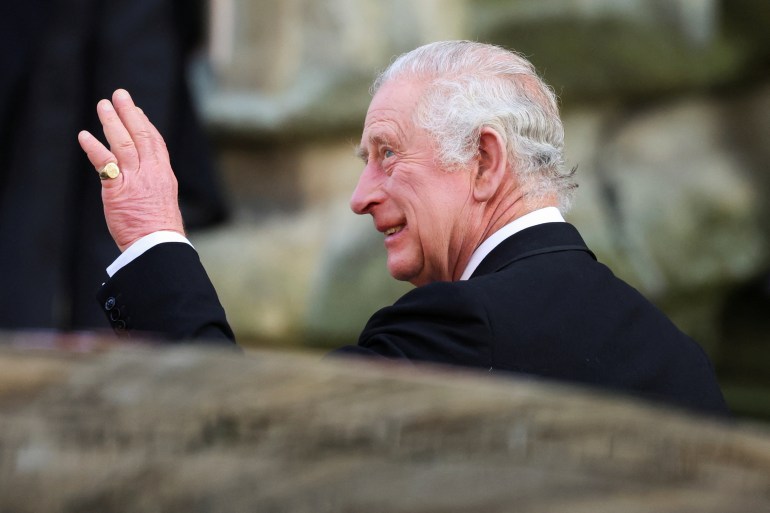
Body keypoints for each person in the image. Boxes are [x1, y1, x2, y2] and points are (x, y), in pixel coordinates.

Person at [77, 41, 728, 416]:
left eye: (387, 154)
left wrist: (153, 237)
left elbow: (238, 435)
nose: (361, 198)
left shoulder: (464, 327)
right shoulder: (679, 358)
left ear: (485, 161)